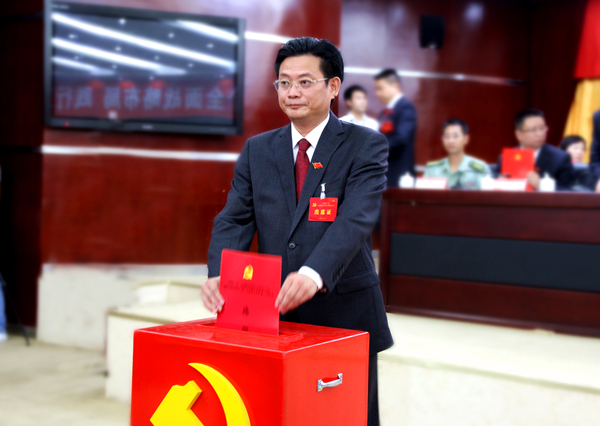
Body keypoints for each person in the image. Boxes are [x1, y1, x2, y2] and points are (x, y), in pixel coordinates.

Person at [201, 37, 393, 426]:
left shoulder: (364, 145)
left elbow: (355, 218)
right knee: (284, 412)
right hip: (274, 312)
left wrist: (313, 273)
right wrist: (220, 273)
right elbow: (235, 218)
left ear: (333, 87)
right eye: (284, 83)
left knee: (347, 415)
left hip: (344, 311)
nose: (292, 92)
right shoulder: (258, 150)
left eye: (305, 82)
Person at [497, 108, 575, 191]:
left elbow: (568, 192)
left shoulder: (560, 158)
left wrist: (541, 186)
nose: (539, 134)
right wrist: (498, 184)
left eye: (542, 128)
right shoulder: (505, 158)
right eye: (533, 130)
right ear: (518, 134)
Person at [373, 68, 417, 187]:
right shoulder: (384, 113)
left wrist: (374, 149)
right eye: (376, 89)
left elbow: (401, 138)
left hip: (401, 175)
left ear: (395, 86)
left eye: (380, 88)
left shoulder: (406, 108)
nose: (377, 93)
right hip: (387, 174)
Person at [424, 119, 491, 189]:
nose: (451, 141)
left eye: (456, 136)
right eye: (447, 136)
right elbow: (424, 195)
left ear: (466, 139)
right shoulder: (432, 169)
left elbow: (489, 195)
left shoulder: (480, 169)